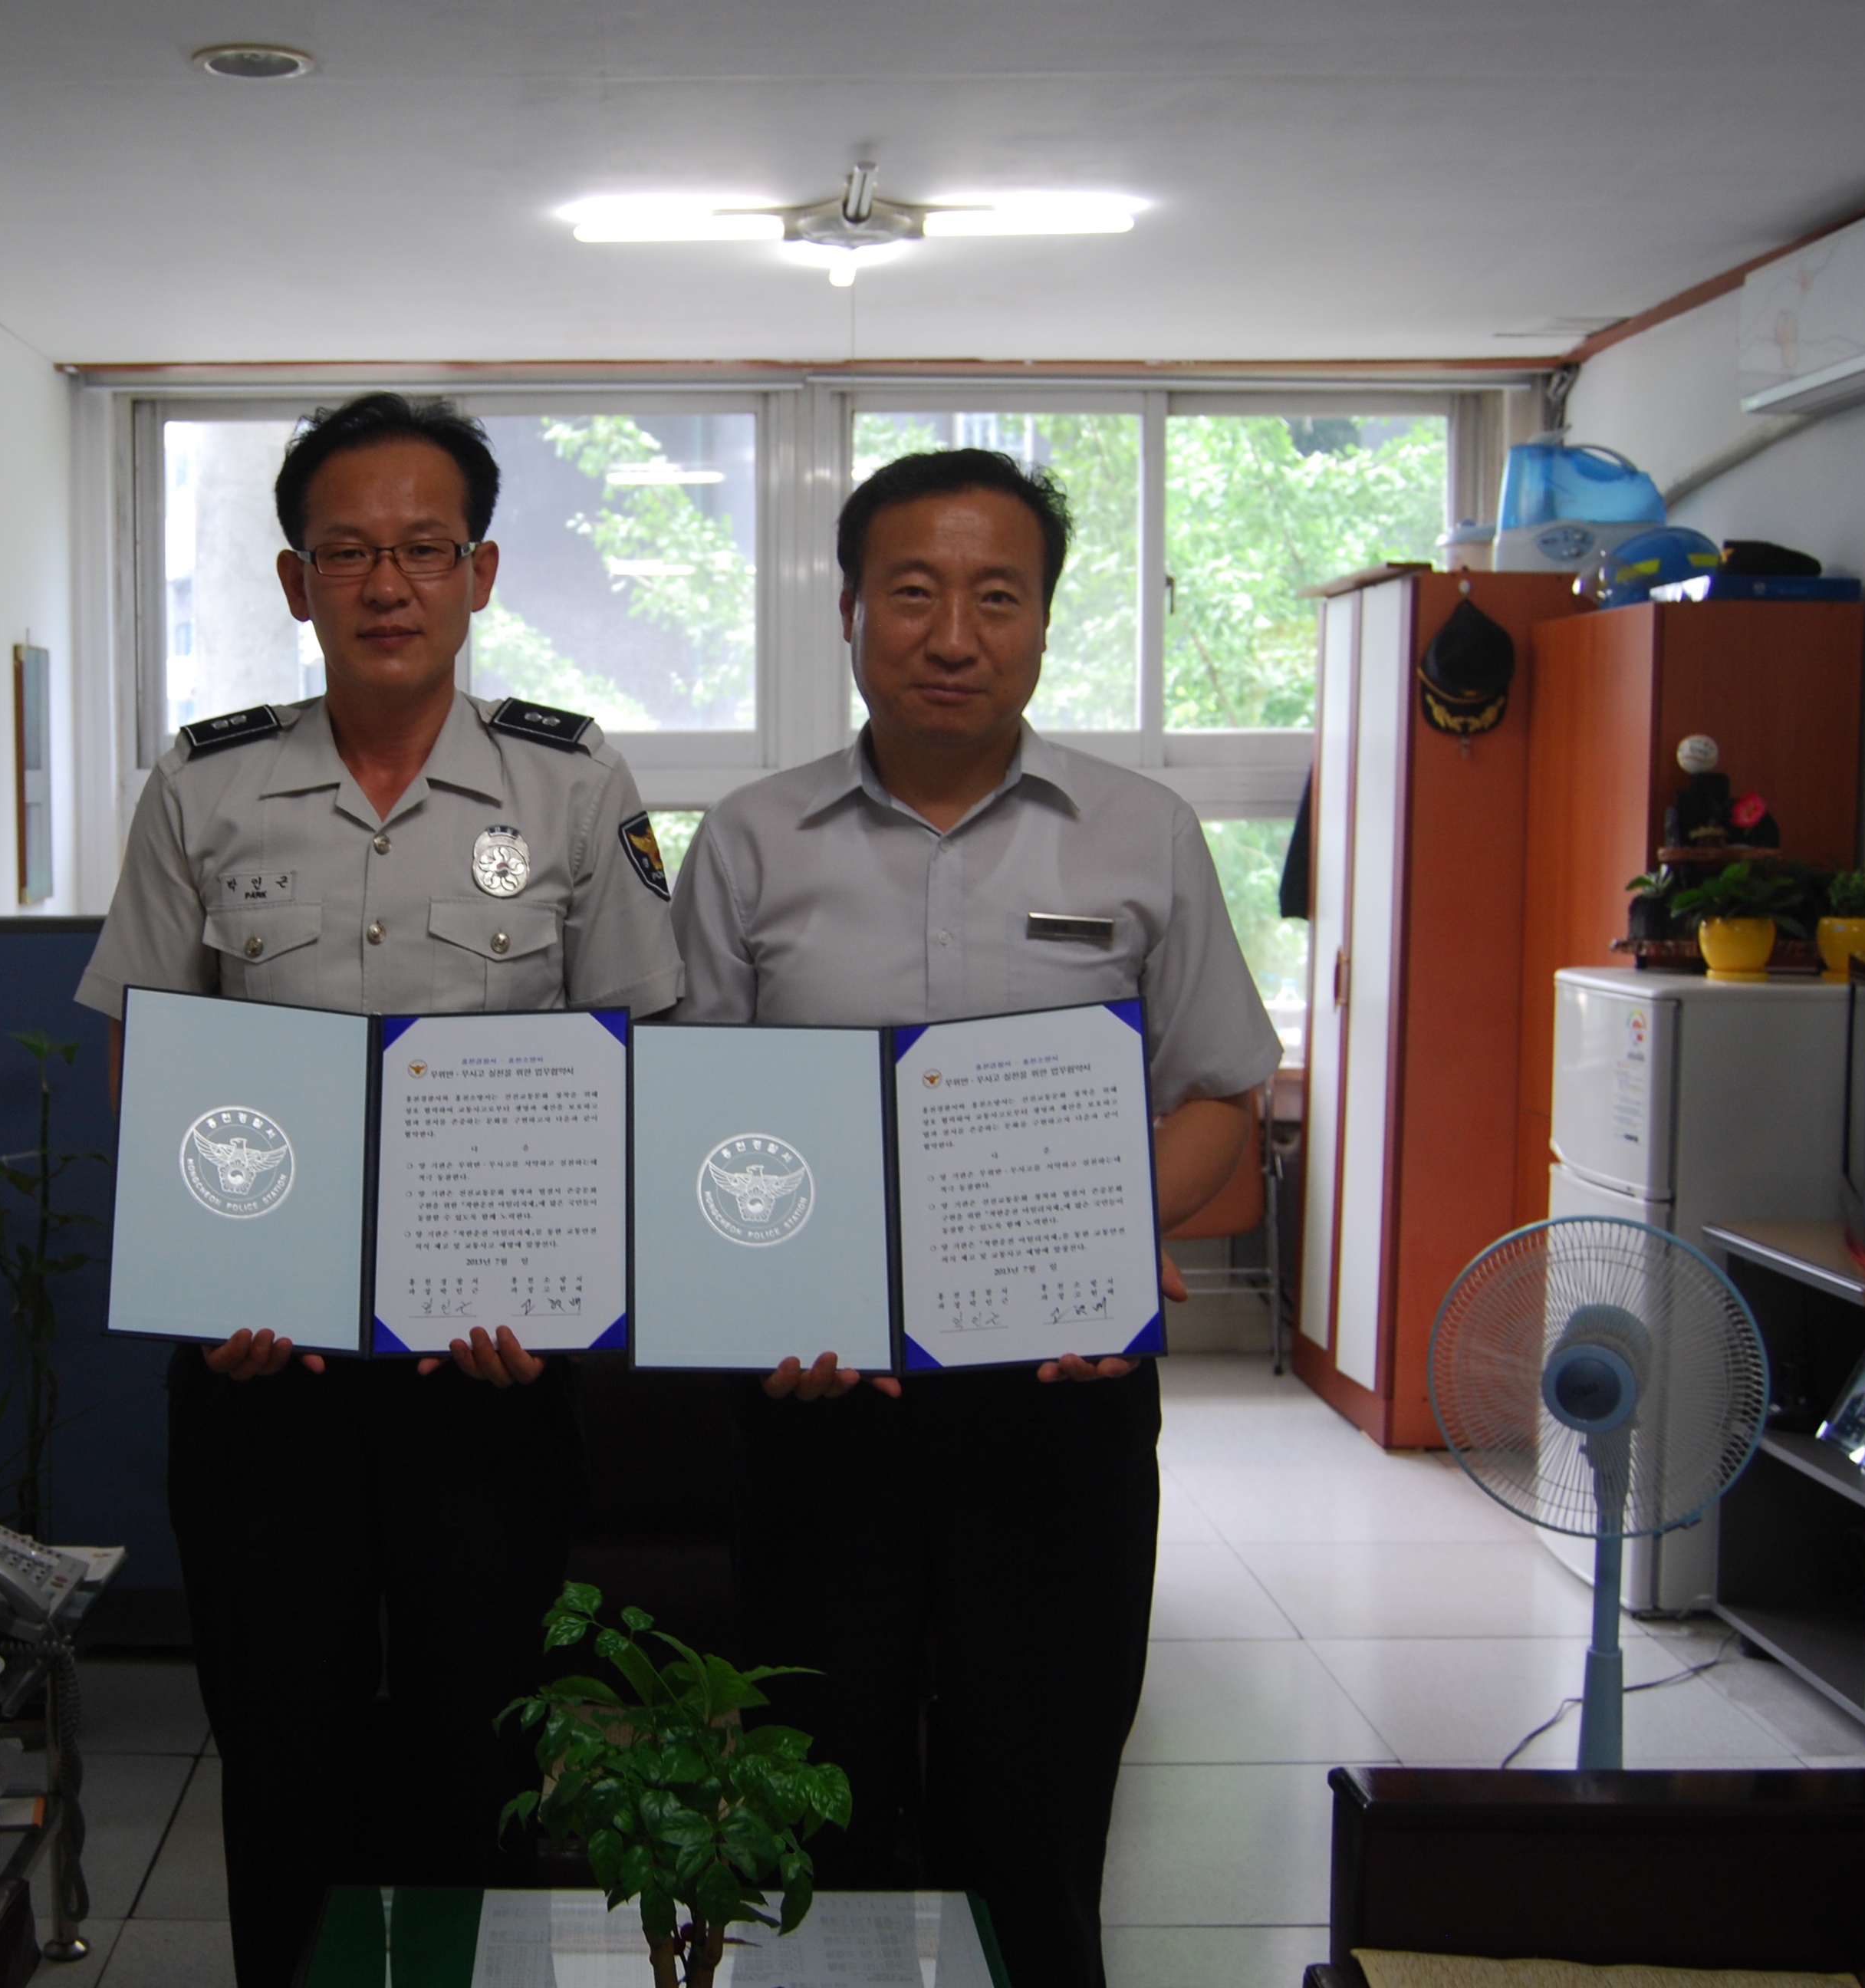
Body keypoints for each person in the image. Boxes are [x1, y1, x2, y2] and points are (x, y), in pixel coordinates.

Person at [74, 393, 683, 1988]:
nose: (388, 584)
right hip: (261, 1380)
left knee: (481, 1752)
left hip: (491, 1379)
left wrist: (563, 1289)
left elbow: (634, 1059)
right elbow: (151, 1055)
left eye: (424, 548)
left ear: (481, 573)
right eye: (348, 552)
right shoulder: (203, 786)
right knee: (283, 1759)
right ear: (296, 582)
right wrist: (211, 1279)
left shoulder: (571, 782)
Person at [666, 448, 1278, 1986]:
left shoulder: (1141, 831)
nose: (954, 635)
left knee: (1038, 1815)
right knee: (822, 1810)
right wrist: (752, 1300)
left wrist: (1105, 1247)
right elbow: (688, 1122)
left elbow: (1218, 1092)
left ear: (1045, 620)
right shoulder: (750, 841)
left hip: (1057, 1405)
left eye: (997, 597)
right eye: (914, 592)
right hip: (818, 1409)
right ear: (849, 610)